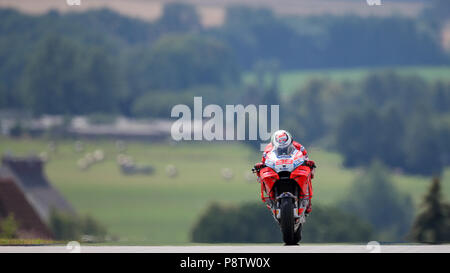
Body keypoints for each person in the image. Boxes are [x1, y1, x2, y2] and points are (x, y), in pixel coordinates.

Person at [253, 130, 316, 214]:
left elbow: (306, 158)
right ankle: (270, 197)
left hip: (293, 167)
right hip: (277, 168)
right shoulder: (268, 149)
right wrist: (260, 166)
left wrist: (309, 163)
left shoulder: (299, 147)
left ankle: (308, 202)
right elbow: (264, 161)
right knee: (262, 176)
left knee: (308, 173)